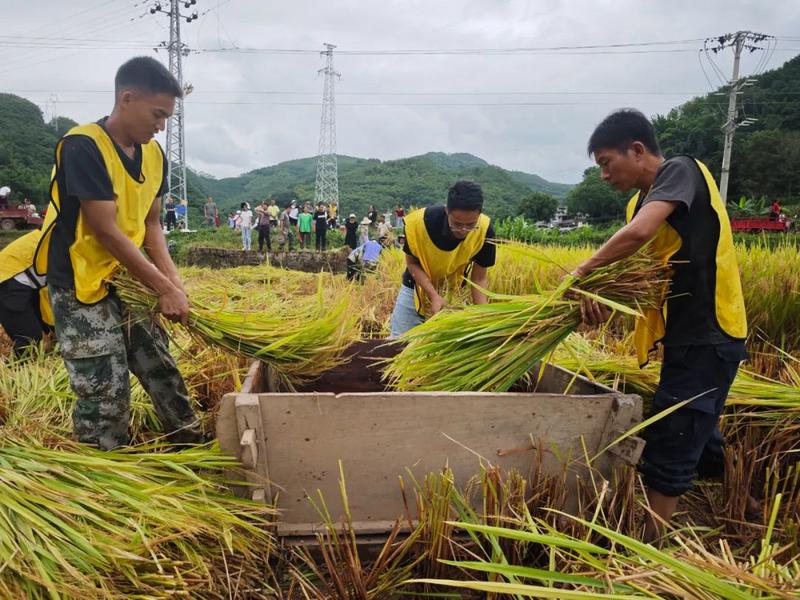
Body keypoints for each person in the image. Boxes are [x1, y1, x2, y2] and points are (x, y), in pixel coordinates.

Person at [571, 109, 748, 541]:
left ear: (637, 150)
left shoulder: (680, 171)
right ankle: (749, 506)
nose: (604, 175)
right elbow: (640, 278)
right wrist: (599, 301)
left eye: (606, 163)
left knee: (674, 436)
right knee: (699, 432)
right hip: (680, 335)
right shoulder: (641, 202)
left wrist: (581, 272)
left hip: (709, 333)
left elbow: (636, 237)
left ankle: (649, 549)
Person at [33, 56, 205, 450]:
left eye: (167, 118)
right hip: (81, 285)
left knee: (161, 368)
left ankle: (193, 448)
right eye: (157, 114)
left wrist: (174, 283)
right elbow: (105, 229)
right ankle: (107, 477)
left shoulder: (155, 155)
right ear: (127, 99)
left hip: (127, 280)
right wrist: (162, 287)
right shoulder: (83, 146)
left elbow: (152, 226)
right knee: (104, 391)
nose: (162, 126)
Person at [389, 180, 495, 338]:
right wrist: (433, 295)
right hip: (415, 287)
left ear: (479, 214)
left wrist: (483, 317)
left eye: (471, 224)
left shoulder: (485, 230)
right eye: (457, 224)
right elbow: (411, 264)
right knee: (399, 344)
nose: (463, 230)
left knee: (445, 350)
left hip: (452, 291)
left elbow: (479, 278)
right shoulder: (418, 224)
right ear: (447, 210)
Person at [0, 229, 54, 356]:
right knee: (29, 339)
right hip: (7, 281)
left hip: (27, 283)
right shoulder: (64, 241)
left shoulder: (58, 233)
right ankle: (14, 371)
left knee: (45, 329)